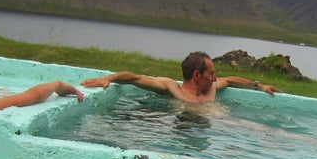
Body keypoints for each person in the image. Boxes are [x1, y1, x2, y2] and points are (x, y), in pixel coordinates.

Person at [81, 51, 282, 103]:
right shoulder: (172, 89)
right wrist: (109, 78)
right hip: (184, 129)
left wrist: (259, 86)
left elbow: (230, 80)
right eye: (211, 74)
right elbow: (134, 78)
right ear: (196, 74)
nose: (214, 79)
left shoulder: (211, 88)